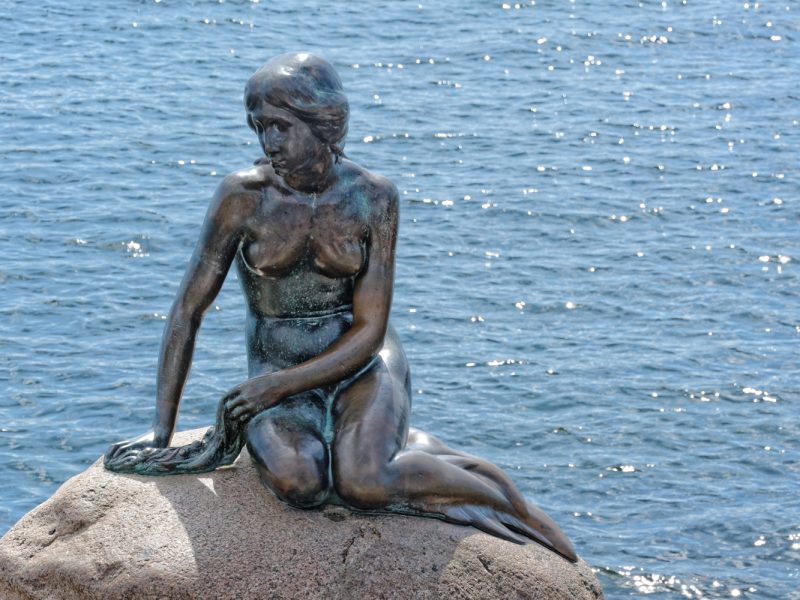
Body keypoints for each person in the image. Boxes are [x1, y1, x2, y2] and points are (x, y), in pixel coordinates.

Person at [105, 52, 577, 562]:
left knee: (364, 482)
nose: (269, 143)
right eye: (259, 127)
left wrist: (273, 388)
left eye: (281, 127)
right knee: (299, 482)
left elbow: (371, 329)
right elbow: (186, 313)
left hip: (360, 364)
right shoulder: (241, 197)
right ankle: (401, 445)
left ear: (322, 123)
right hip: (278, 363)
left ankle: (507, 502)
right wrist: (162, 430)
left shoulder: (374, 197)